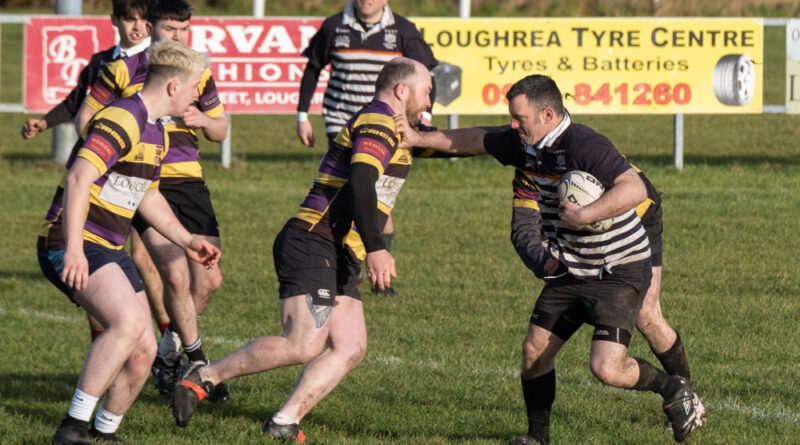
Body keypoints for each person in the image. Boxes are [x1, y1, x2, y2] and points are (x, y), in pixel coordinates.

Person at [396, 74, 703, 444]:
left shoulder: (583, 143)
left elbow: (635, 188)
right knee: (534, 350)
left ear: (546, 114)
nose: (512, 125)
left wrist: (585, 215)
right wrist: (417, 138)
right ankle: (537, 438)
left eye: (518, 118)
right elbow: (474, 138)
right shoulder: (524, 143)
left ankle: (675, 390)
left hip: (617, 267)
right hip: (572, 265)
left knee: (608, 366)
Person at [171, 57, 434, 442]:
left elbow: (459, 142)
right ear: (402, 91)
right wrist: (377, 248)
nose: (431, 101)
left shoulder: (405, 129)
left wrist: (513, 138)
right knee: (303, 343)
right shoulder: (378, 121)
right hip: (314, 239)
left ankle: (284, 421)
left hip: (340, 250)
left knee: (350, 345)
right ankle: (204, 375)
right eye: (427, 92)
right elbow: (361, 182)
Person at [38, 39, 219, 445]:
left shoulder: (154, 130)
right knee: (129, 322)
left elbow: (148, 196)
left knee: (143, 350)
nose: (197, 96)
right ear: (174, 86)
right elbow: (78, 177)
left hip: (107, 245)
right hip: (75, 239)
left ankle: (105, 432)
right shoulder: (124, 118)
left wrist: (188, 240)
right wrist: (72, 248)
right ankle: (72, 429)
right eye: (194, 87)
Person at [76, 0, 230, 400]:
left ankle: (170, 351)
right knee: (174, 275)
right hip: (143, 182)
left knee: (210, 278)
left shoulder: (199, 72)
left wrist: (205, 121)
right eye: (169, 28)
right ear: (150, 26)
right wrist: (114, 145)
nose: (177, 36)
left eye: (183, 29)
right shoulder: (124, 71)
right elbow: (84, 120)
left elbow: (221, 129)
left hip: (189, 180)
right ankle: (190, 359)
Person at [21, 0, 165, 344]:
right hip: (100, 172)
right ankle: (107, 343)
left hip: (140, 175)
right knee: (96, 265)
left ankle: (165, 341)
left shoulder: (154, 66)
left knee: (143, 259)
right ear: (114, 20)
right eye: (130, 20)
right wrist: (45, 122)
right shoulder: (103, 63)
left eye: (144, 21)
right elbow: (77, 103)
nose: (137, 27)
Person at [296, 0, 438, 296]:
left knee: (378, 195)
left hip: (390, 121)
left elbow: (425, 74)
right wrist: (302, 115)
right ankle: (349, 264)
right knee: (360, 189)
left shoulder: (402, 29)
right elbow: (313, 68)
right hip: (344, 121)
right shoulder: (334, 26)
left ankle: (368, 269)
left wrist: (423, 119)